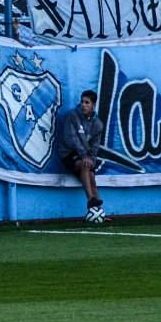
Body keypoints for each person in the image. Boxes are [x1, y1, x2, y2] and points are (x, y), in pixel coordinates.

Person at [59, 89, 106, 223]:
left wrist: (92, 159)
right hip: (68, 153)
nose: (83, 105)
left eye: (87, 103)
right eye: (82, 102)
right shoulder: (72, 116)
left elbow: (95, 146)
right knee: (85, 165)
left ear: (93, 105)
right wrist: (85, 156)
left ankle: (98, 210)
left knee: (91, 174)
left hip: (84, 155)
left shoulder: (98, 124)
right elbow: (71, 140)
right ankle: (91, 200)